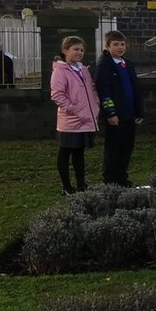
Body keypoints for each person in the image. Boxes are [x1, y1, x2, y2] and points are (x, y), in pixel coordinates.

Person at [50, 36, 100, 194]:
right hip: (70, 120)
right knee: (65, 152)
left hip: (84, 118)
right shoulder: (60, 71)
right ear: (65, 50)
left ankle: (81, 185)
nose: (79, 52)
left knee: (79, 153)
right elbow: (57, 95)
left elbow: (91, 88)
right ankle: (66, 187)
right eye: (75, 49)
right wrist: (73, 109)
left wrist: (96, 103)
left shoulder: (83, 69)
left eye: (82, 50)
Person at [96, 30, 144, 186]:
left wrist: (139, 110)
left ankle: (122, 176)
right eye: (116, 44)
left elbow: (135, 88)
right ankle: (110, 179)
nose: (120, 47)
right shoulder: (105, 64)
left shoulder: (127, 64)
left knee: (126, 148)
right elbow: (104, 91)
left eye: (122, 44)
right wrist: (110, 113)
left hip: (129, 113)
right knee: (114, 148)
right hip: (116, 115)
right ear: (108, 46)